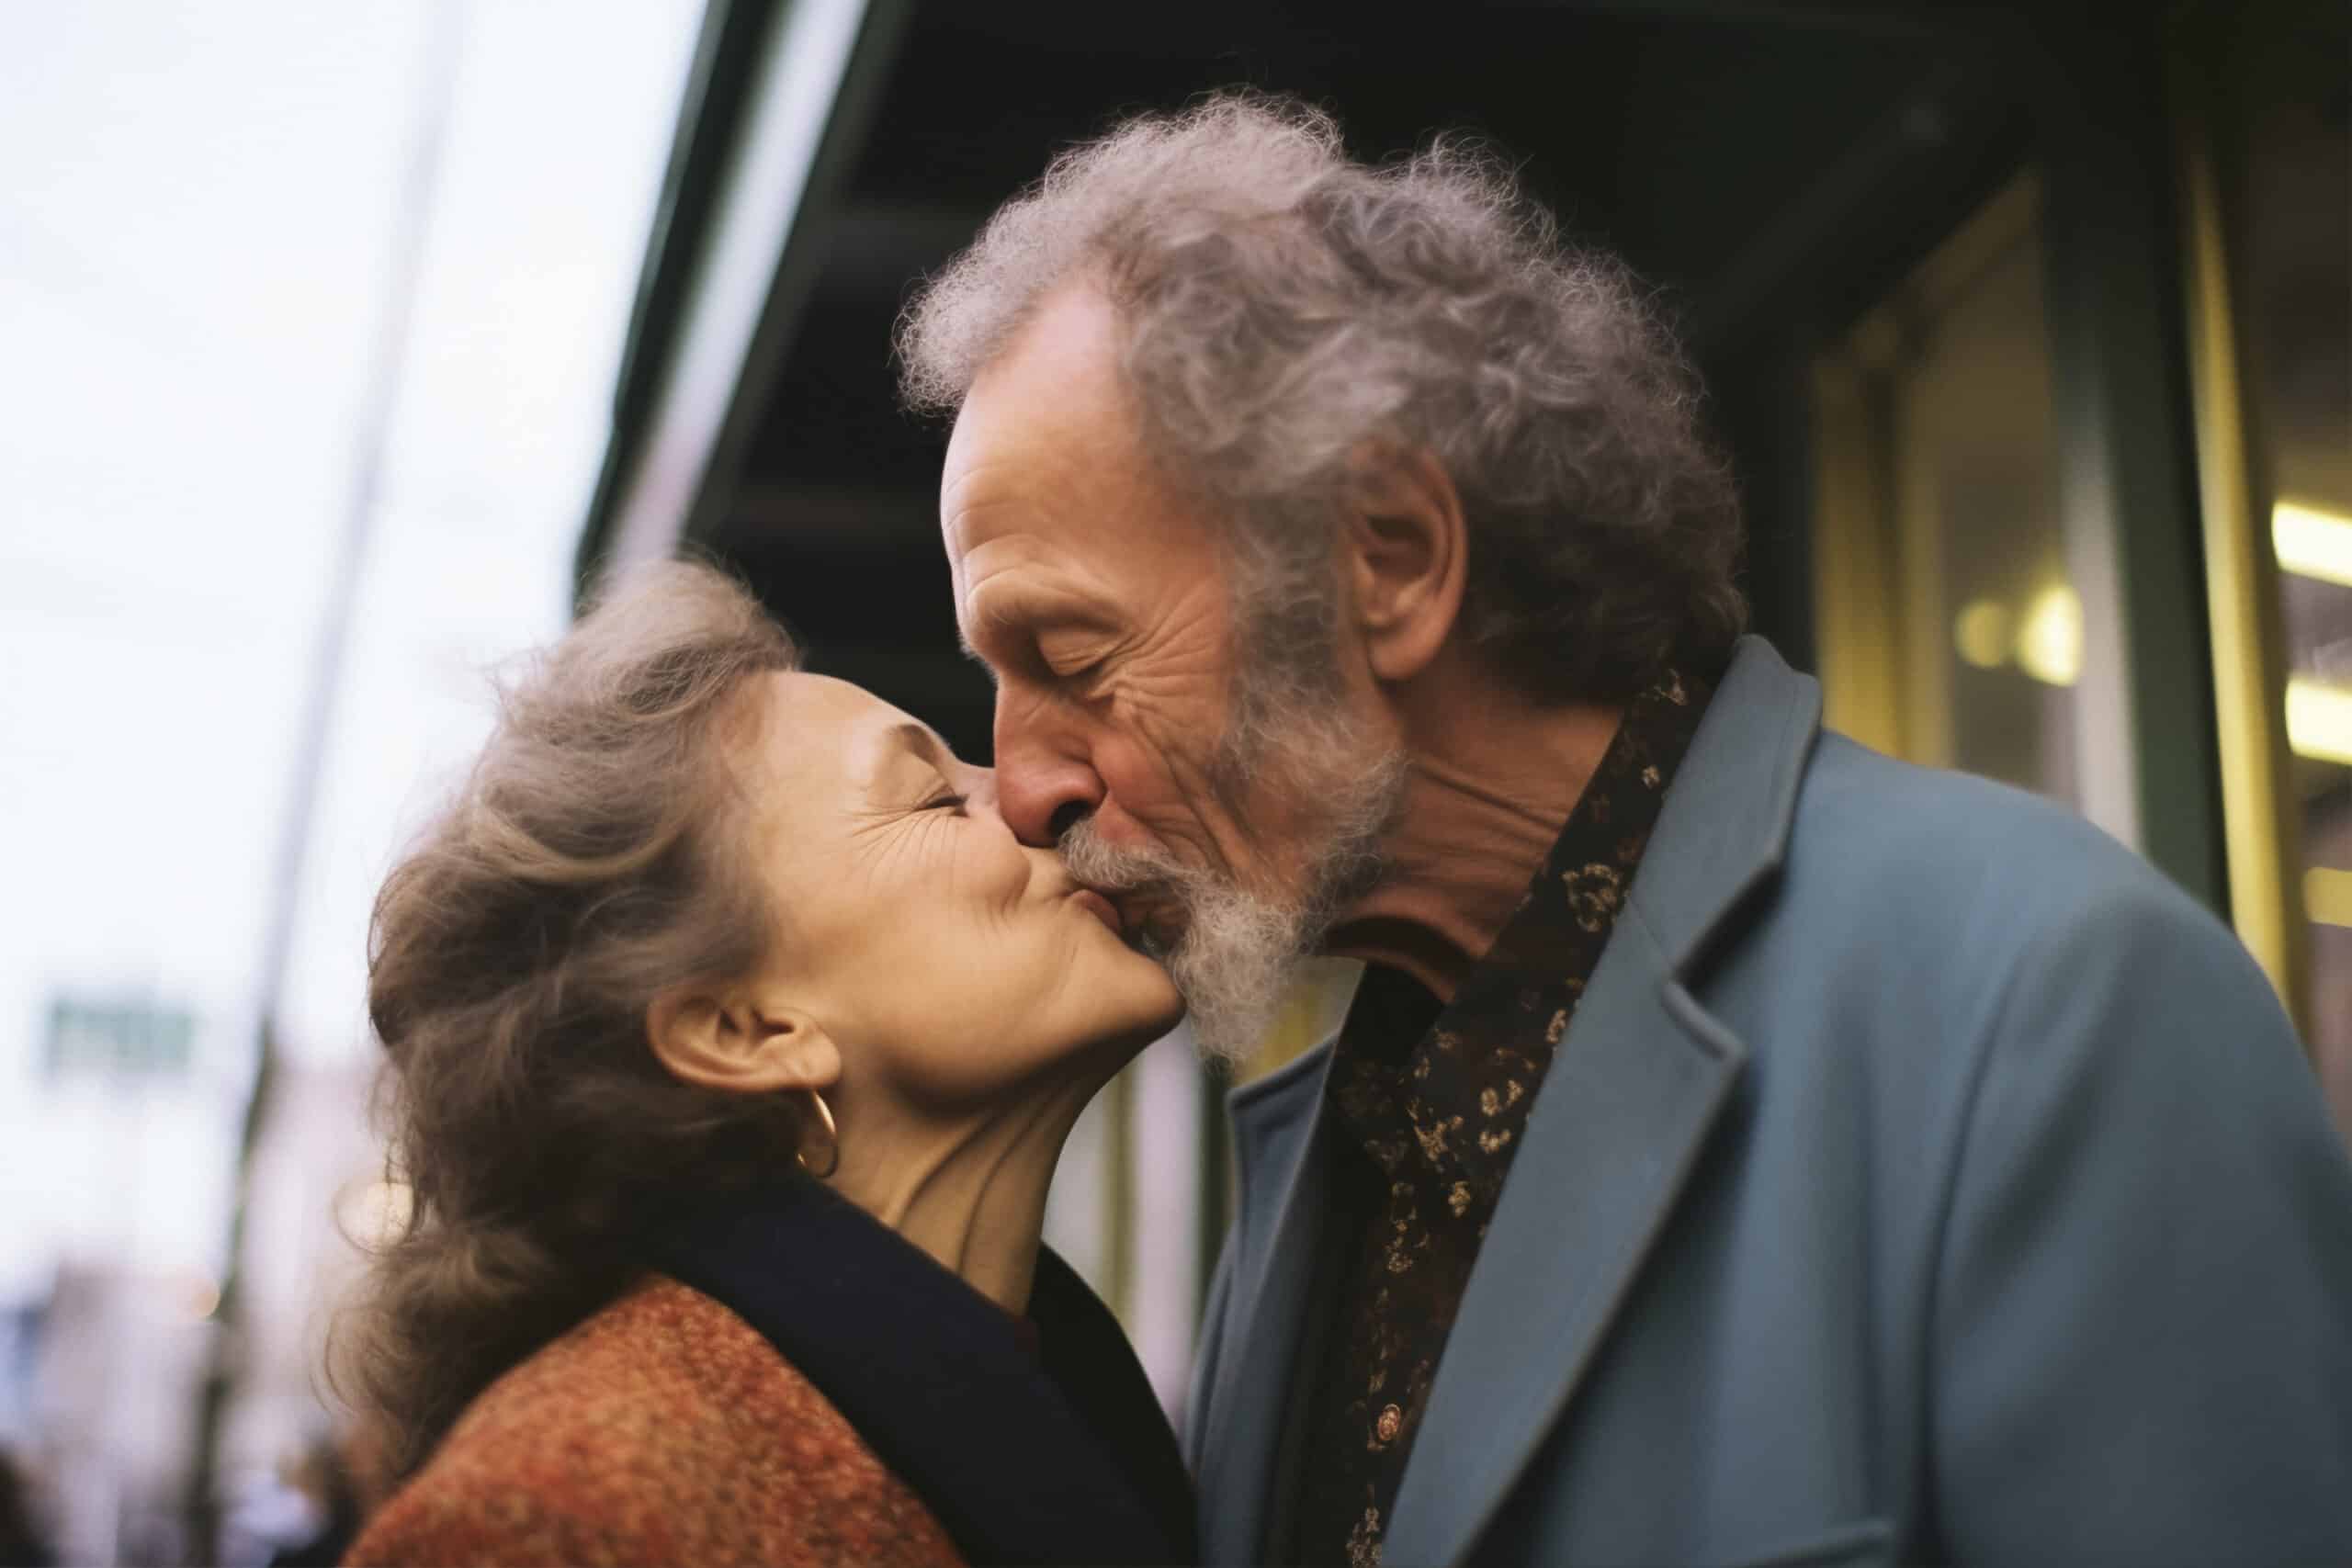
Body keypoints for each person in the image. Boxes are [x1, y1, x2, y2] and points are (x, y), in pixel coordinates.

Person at [898, 91, 2352, 1566]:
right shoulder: (1320, 1150)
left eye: (1072, 659)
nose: (1023, 787)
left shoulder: (2051, 1004)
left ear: (1389, 559)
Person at [337, 562, 1195, 1568]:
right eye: (930, 798)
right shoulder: (562, 1517)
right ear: (745, 1032)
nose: (1025, 797)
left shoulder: (1071, 1400)